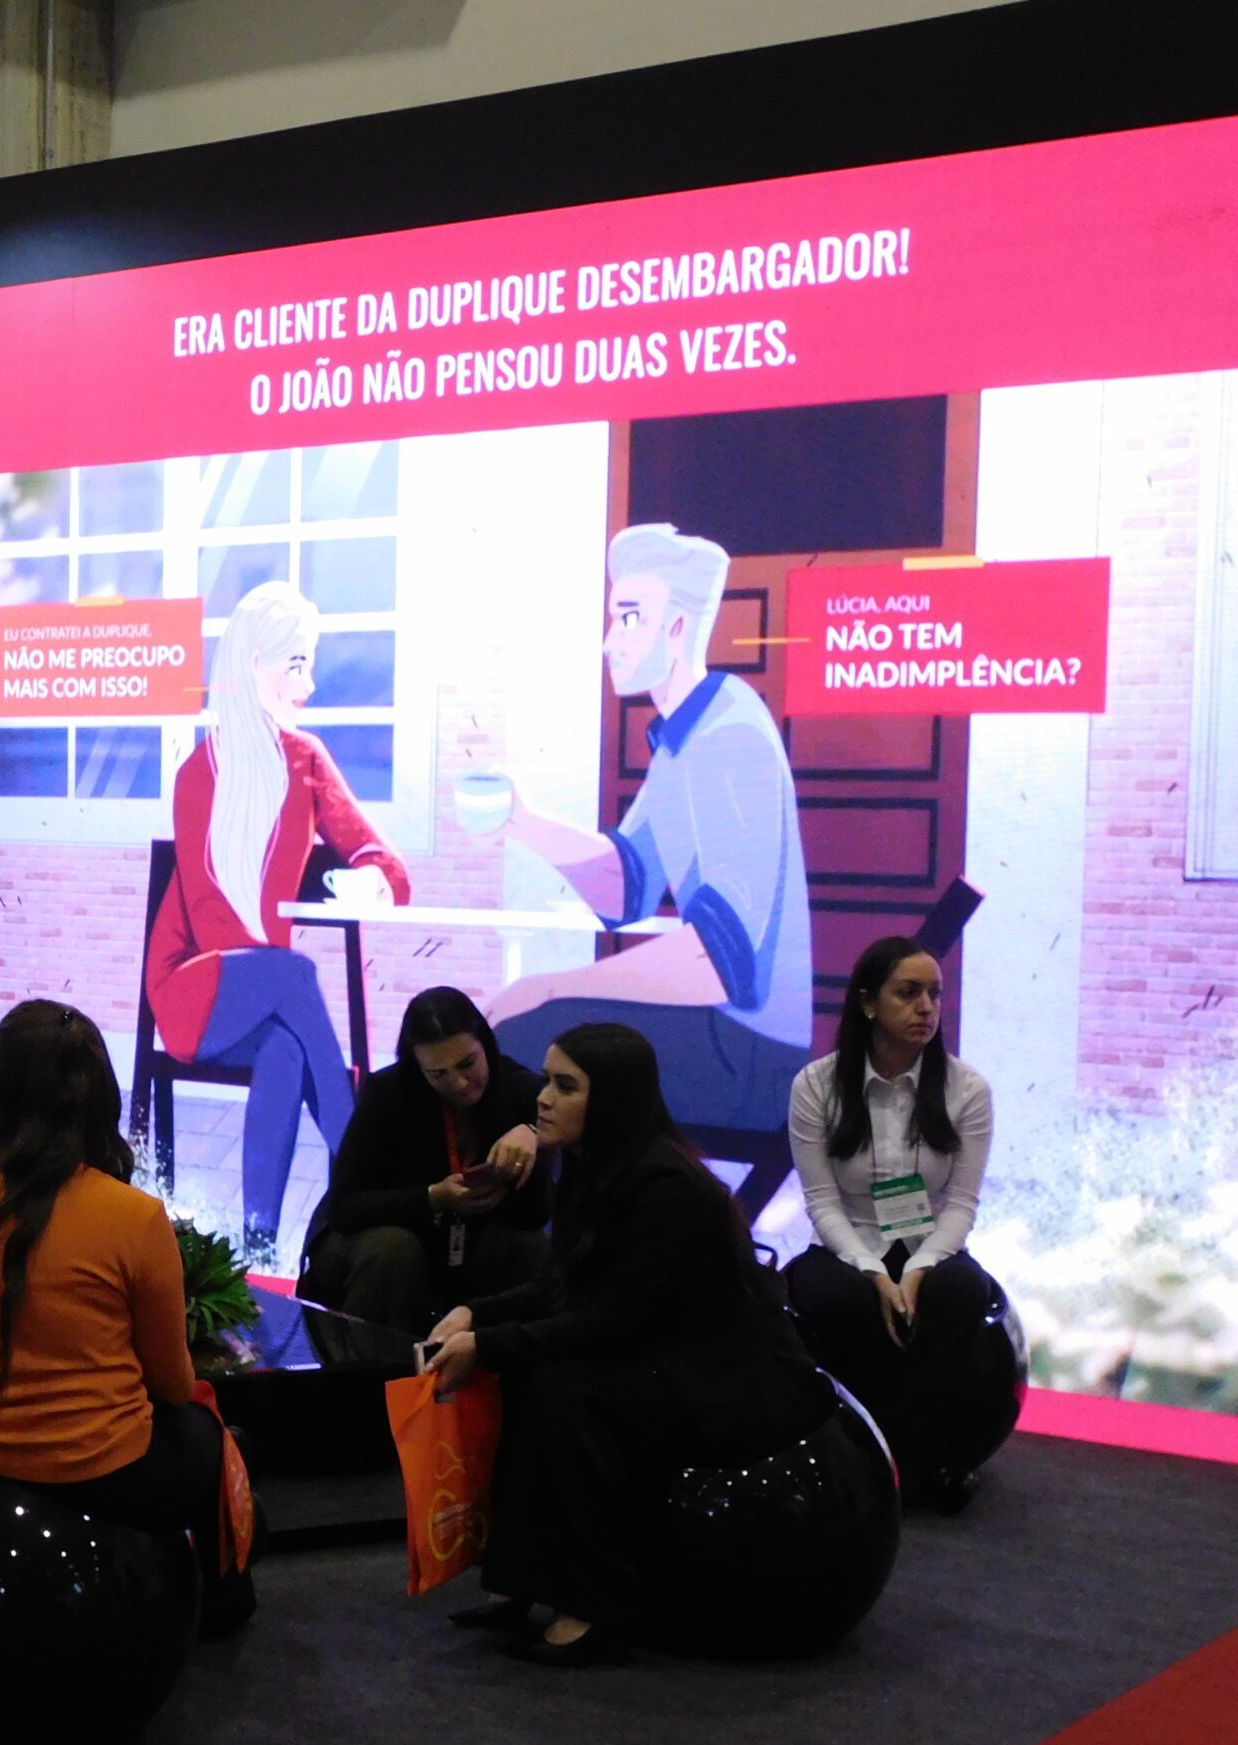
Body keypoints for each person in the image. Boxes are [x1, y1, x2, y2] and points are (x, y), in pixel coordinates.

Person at [423, 1022, 824, 1666]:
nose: (542, 1099)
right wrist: (474, 1313)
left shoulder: (665, 1186)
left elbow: (617, 1321)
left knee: (562, 1387)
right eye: (547, 1081)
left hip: (726, 1380)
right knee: (534, 1373)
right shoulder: (593, 1164)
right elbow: (563, 1284)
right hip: (664, 1353)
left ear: (611, 1098)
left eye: (565, 1086)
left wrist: (490, 1343)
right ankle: (523, 1580)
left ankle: (593, 1609)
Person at [0, 998, 255, 1630]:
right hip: (96, 1471)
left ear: (2, 1095)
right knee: (207, 1438)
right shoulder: (134, 1216)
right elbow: (172, 1384)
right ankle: (222, 1611)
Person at [485, 524, 813, 1144]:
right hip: (722, 1034)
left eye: (629, 618)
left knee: (527, 1039)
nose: (610, 641)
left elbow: (722, 961)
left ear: (678, 627)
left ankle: (549, 1205)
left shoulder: (730, 736)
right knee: (528, 1033)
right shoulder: (683, 737)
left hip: (749, 1055)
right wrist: (522, 821)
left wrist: (551, 985)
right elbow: (625, 886)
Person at [145, 579, 413, 1265]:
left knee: (287, 1051)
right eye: (296, 665)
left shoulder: (306, 760)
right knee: (292, 974)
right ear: (252, 661)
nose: (309, 685)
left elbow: (383, 858)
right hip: (192, 989)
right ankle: (367, 1172)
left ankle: (257, 1250)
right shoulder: (198, 774)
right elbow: (212, 921)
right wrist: (273, 974)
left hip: (266, 1004)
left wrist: (368, 878)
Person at [782, 936, 1000, 1510]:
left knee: (961, 1291)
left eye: (935, 994)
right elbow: (821, 1201)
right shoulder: (816, 1085)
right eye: (908, 993)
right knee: (838, 1298)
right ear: (868, 1003)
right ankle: (922, 1459)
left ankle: (880, 1461)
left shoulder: (966, 1089)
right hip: (848, 1243)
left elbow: (961, 1204)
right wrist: (873, 1272)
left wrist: (920, 1267)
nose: (926, 1007)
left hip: (929, 1243)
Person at [301, 986, 548, 1344]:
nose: (459, 1083)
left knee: (528, 1246)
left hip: (468, 1242)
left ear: (486, 1045)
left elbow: (537, 1215)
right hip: (373, 1237)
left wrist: (535, 1137)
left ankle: (499, 1366)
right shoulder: (387, 1093)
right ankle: (369, 1368)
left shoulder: (521, 1090)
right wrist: (433, 1198)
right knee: (394, 1249)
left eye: (467, 1064)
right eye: (438, 1073)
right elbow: (345, 1207)